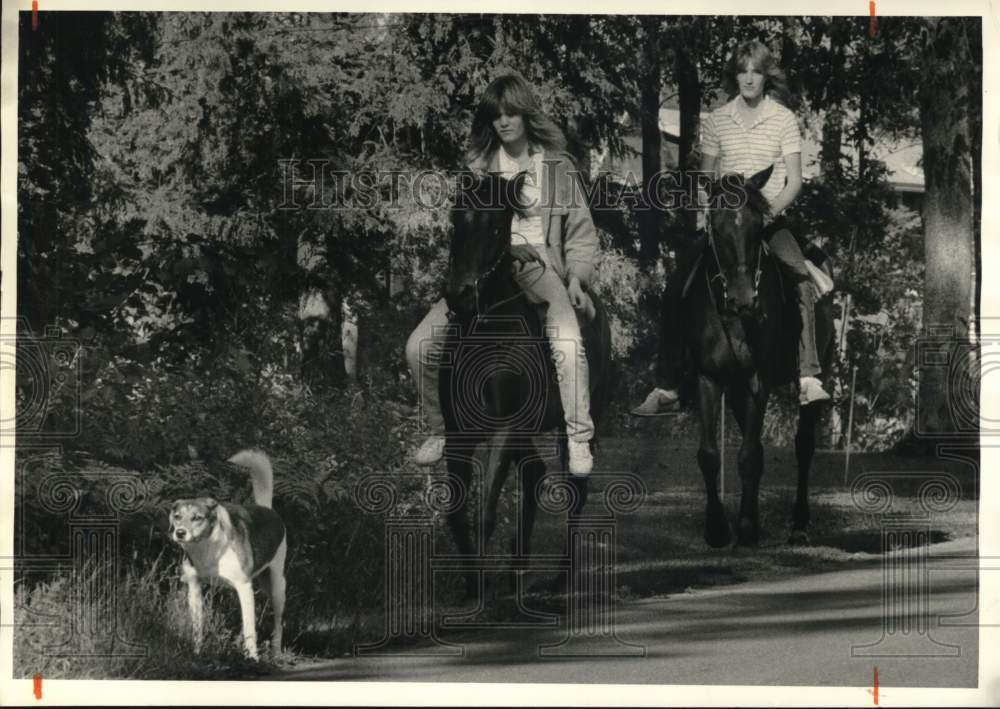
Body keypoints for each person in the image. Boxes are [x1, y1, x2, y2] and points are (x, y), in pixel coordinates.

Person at [405, 73, 600, 476]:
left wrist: (578, 279)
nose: (504, 122)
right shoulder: (478, 169)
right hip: (482, 269)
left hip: (539, 266)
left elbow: (582, 234)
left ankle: (578, 437)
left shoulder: (557, 168)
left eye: (511, 113)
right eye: (496, 116)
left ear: (527, 115)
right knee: (418, 347)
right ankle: (440, 430)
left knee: (567, 342)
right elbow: (464, 233)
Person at [632, 39, 831, 416]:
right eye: (743, 71)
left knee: (801, 279)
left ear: (766, 76)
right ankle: (668, 384)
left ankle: (808, 376)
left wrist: (769, 211)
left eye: (756, 71)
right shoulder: (718, 119)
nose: (749, 79)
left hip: (769, 220)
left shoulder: (783, 119)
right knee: (677, 285)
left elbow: (794, 181)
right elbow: (706, 176)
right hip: (726, 224)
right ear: (734, 76)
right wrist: (716, 214)